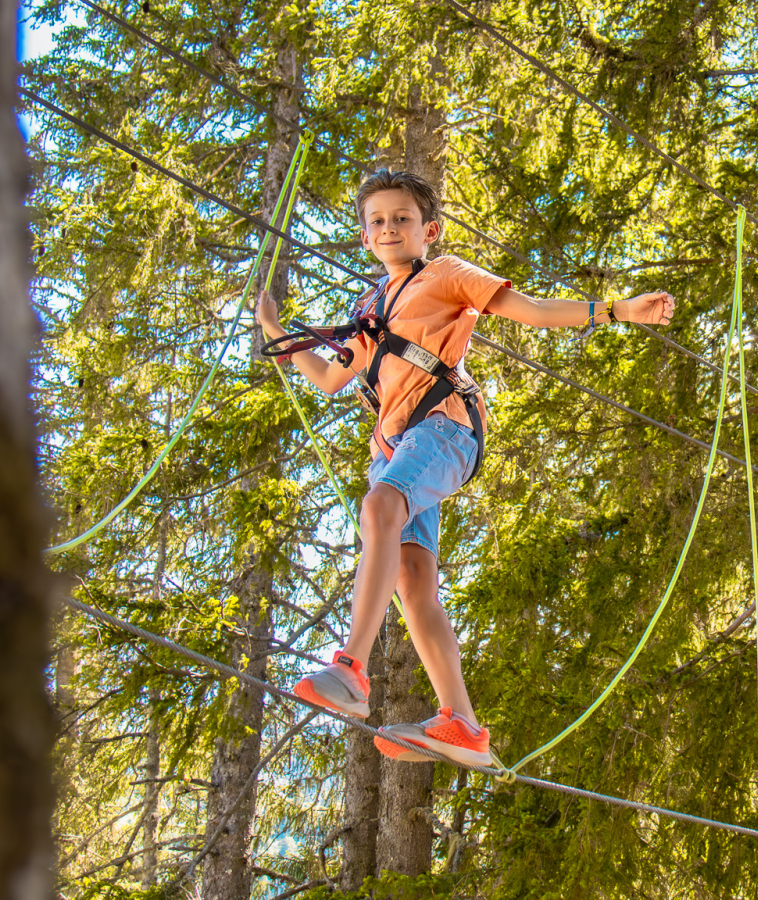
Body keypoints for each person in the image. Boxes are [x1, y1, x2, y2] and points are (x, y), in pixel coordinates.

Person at [256, 168, 674, 767]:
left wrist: (618, 310)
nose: (389, 228)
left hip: (445, 426)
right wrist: (278, 334)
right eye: (377, 221)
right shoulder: (368, 307)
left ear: (429, 229)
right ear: (365, 238)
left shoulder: (447, 274)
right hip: (396, 447)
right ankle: (462, 724)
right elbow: (329, 377)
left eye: (401, 218)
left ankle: (351, 667)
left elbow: (528, 309)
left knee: (379, 506)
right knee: (411, 578)